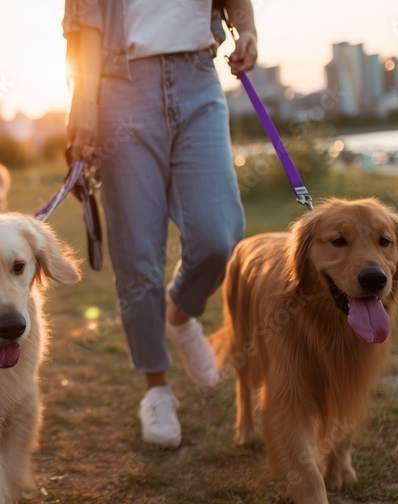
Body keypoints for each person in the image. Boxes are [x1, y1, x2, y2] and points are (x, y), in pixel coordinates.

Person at [63, 0, 257, 448]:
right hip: (119, 85)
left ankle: (181, 312)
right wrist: (84, 99)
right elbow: (84, 18)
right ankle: (156, 388)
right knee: (137, 254)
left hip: (198, 76)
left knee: (219, 236)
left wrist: (248, 32)